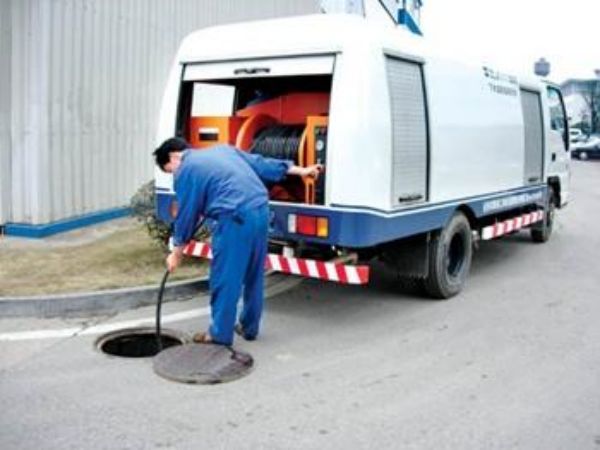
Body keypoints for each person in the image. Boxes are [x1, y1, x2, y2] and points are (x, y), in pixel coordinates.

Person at [153, 137, 322, 346]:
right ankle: (249, 328)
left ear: (172, 157)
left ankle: (219, 335)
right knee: (253, 274)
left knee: (226, 278)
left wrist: (176, 252)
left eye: (169, 171)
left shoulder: (186, 169)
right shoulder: (224, 151)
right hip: (261, 211)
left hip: (235, 218)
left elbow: (186, 213)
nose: (173, 175)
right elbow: (261, 164)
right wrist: (302, 170)